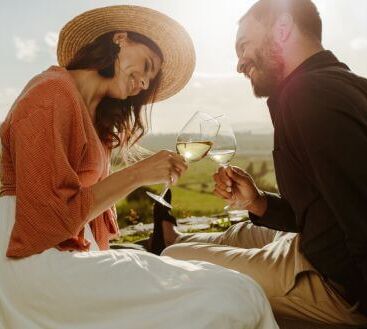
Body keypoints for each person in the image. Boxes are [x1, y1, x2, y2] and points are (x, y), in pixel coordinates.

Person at [155, 0, 367, 328]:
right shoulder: (359, 88)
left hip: (341, 288)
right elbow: (332, 206)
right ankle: (174, 237)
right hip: (322, 250)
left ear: (282, 28)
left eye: (244, 46)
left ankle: (172, 247)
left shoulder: (309, 96)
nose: (239, 64)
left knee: (172, 262)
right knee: (242, 232)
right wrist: (258, 202)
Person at [0, 5, 278, 329]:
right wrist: (139, 174)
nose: (145, 83)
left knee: (237, 290)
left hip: (68, 252)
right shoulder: (49, 94)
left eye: (151, 78)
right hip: (32, 262)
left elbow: (81, 213)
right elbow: (48, 219)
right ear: (120, 39)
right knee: (232, 297)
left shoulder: (93, 115)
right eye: (147, 65)